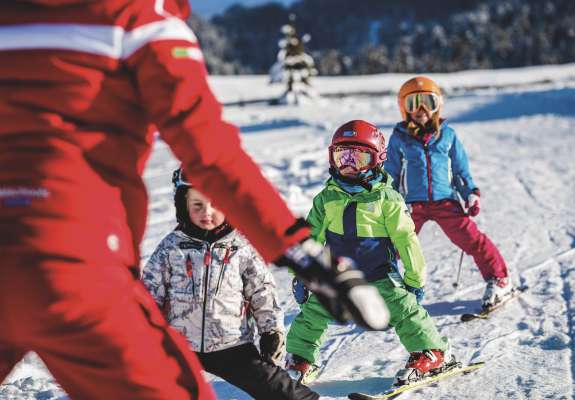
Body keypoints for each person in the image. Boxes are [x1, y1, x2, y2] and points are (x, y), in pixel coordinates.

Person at [0, 1, 388, 399]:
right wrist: (303, 253)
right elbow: (211, 155)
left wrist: (271, 327)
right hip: (72, 263)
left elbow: (259, 291)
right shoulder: (137, 19)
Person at [285, 120, 455, 386]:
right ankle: (301, 358)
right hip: (336, 274)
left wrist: (414, 278)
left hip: (378, 273)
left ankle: (430, 352)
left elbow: (406, 239)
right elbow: (309, 239)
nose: (349, 165)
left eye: (359, 158)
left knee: (406, 310)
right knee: (312, 313)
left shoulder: (387, 199)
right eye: (343, 157)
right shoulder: (326, 198)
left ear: (377, 160)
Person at [141, 169, 319, 400]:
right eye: (197, 205)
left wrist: (271, 331)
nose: (207, 212)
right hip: (179, 345)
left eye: (217, 205)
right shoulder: (171, 247)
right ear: (182, 206)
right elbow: (148, 293)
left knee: (277, 389)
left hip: (230, 344)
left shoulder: (242, 247)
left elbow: (262, 291)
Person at [385, 76, 515, 308]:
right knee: (392, 243)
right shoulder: (399, 138)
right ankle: (381, 288)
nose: (421, 109)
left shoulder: (448, 135)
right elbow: (391, 174)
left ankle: (500, 279)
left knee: (472, 239)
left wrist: (470, 194)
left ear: (437, 105)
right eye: (414, 103)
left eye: (428, 102)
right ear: (404, 107)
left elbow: (460, 169)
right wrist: (386, 202)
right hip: (412, 204)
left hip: (445, 200)